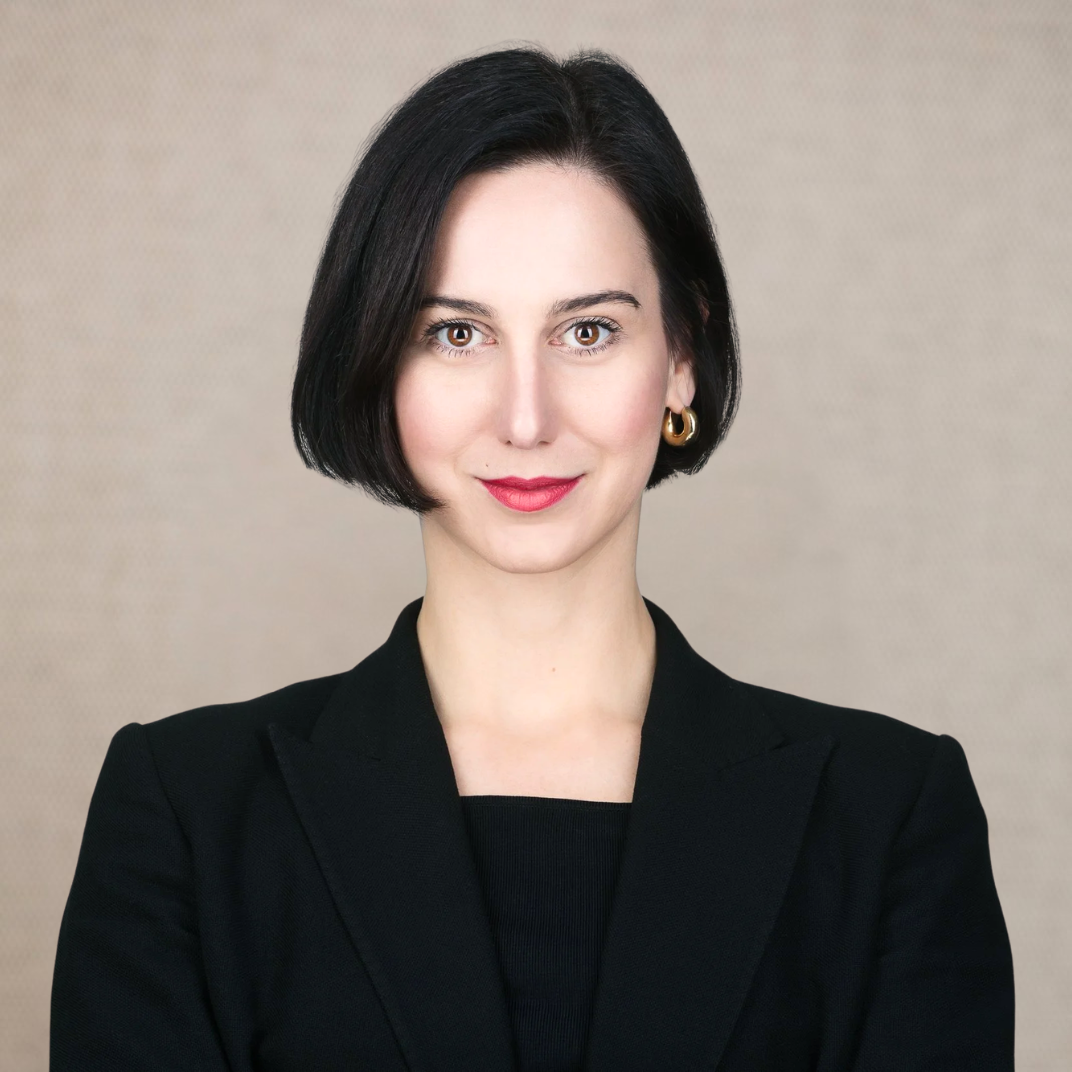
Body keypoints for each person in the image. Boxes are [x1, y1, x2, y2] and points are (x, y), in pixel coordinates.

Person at [50, 46, 1015, 1072]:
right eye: (457, 335)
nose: (526, 416)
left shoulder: (890, 814)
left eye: (588, 331)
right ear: (378, 364)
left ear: (681, 355)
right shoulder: (187, 813)